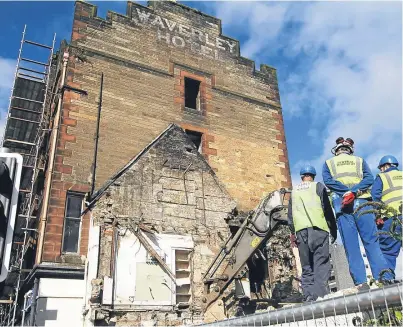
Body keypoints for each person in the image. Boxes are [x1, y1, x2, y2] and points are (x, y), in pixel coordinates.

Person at [322, 137, 394, 289]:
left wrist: (346, 193)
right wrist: (354, 192)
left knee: (351, 246)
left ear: (336, 150)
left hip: (342, 205)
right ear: (350, 150)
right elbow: (368, 178)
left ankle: (361, 283)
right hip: (363, 203)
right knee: (372, 242)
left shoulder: (329, 163)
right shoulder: (359, 161)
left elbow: (328, 181)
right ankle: (385, 279)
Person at [288, 165, 337, 302]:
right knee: (321, 264)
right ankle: (321, 297)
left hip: (301, 233)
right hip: (318, 230)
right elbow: (327, 210)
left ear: (302, 176)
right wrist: (333, 230)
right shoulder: (318, 186)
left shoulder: (294, 191)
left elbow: (290, 217)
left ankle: (309, 296)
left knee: (306, 266)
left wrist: (293, 233)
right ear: (313, 175)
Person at [371, 155, 402, 273]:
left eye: (381, 168)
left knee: (387, 251)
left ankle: (387, 280)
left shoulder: (382, 177)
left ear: (385, 166)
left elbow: (375, 199)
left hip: (392, 219)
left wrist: (377, 217)